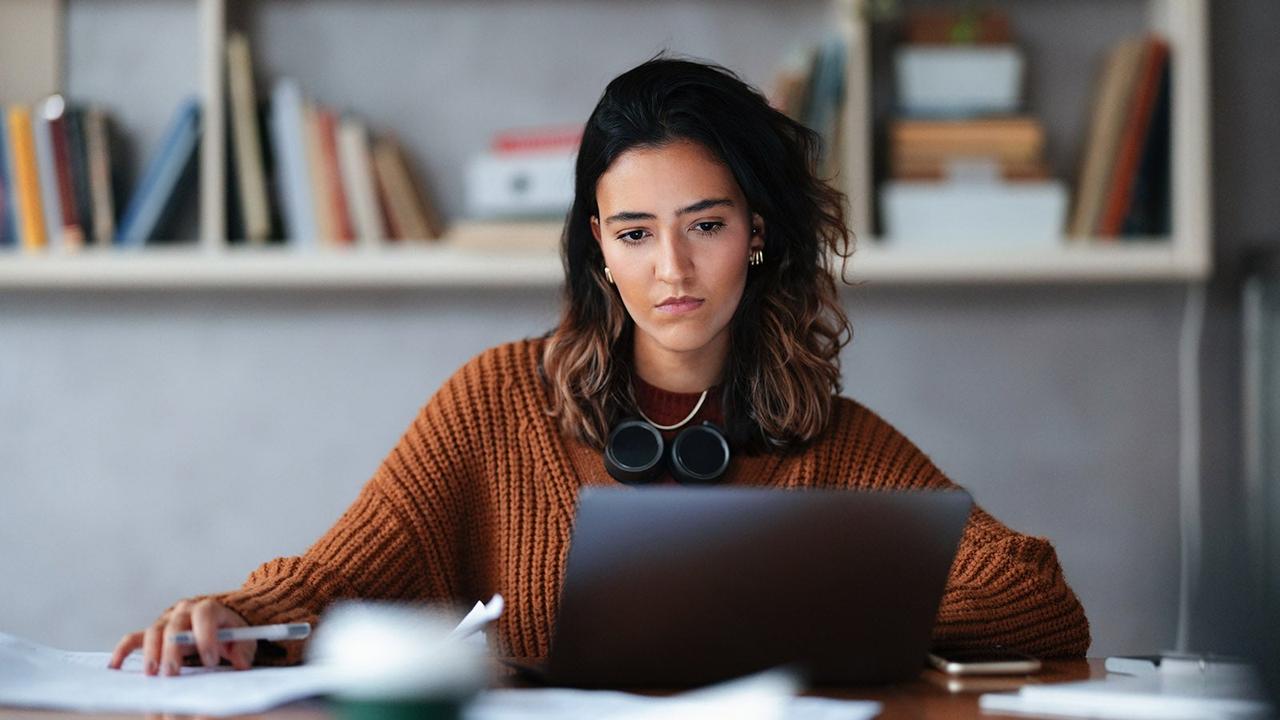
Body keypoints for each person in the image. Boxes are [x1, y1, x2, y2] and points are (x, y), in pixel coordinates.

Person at [110, 57, 1090, 677]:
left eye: (704, 225)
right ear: (599, 247)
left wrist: (798, 606)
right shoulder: (498, 401)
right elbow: (333, 582)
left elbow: (1038, 599)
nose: (670, 268)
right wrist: (234, 612)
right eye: (635, 232)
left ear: (754, 234)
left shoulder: (822, 435)